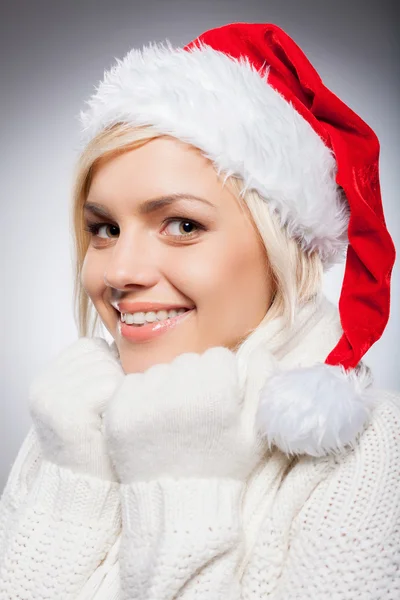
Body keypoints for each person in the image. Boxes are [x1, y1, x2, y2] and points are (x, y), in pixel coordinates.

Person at [0, 21, 398, 600]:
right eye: (104, 229)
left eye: (183, 225)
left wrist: (183, 483)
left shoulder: (368, 453)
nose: (118, 272)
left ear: (287, 247)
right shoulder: (69, 429)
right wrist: (73, 482)